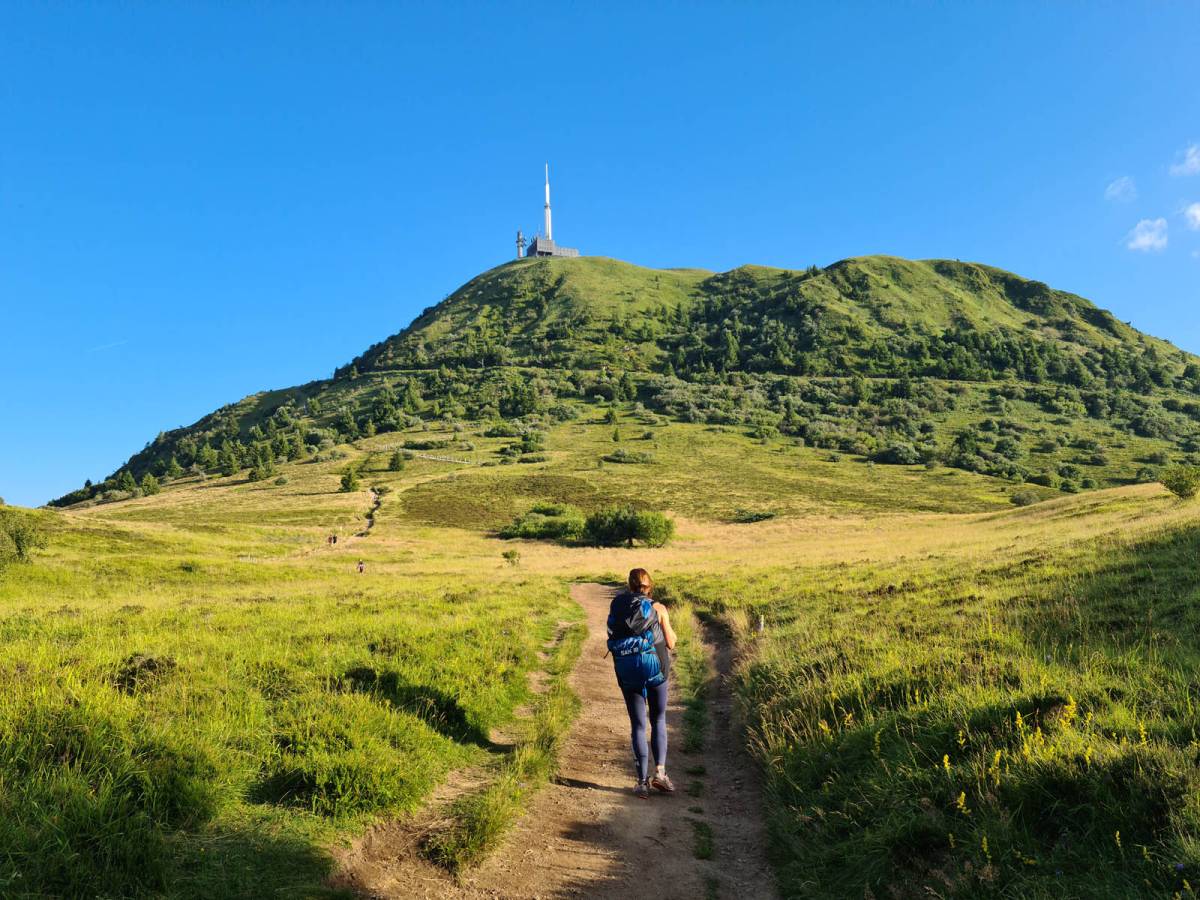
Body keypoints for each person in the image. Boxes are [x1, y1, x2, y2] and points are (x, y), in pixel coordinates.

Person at [607, 567, 677, 799]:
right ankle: (660, 773)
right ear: (649, 586)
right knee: (657, 719)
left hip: (627, 670)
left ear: (629, 586)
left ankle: (641, 782)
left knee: (637, 725)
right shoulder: (657, 607)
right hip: (656, 668)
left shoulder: (618, 606)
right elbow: (671, 642)